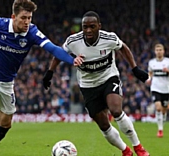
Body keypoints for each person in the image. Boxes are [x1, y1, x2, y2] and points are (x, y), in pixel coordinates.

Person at [0, 0, 84, 156]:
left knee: (5, 124)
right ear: (13, 16)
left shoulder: (32, 33)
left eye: (29, 18)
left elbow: (52, 48)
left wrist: (72, 60)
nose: (27, 22)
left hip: (7, 82)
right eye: (23, 18)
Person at [43, 11, 150, 156]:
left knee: (116, 110)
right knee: (104, 125)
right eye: (84, 27)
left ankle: (139, 148)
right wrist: (50, 73)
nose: (88, 30)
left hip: (109, 78)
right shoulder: (73, 41)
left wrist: (135, 68)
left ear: (99, 26)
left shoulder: (109, 38)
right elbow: (59, 54)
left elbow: (123, 48)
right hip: (88, 86)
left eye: (92, 26)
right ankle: (126, 150)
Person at [146, 43, 169, 137]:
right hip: (155, 88)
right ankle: (160, 130)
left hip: (165, 89)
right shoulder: (151, 62)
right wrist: (149, 79)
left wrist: (168, 71)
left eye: (160, 50)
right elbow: (150, 73)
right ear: (155, 52)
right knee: (158, 107)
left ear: (163, 51)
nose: (159, 52)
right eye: (157, 50)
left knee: (164, 111)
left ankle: (161, 127)